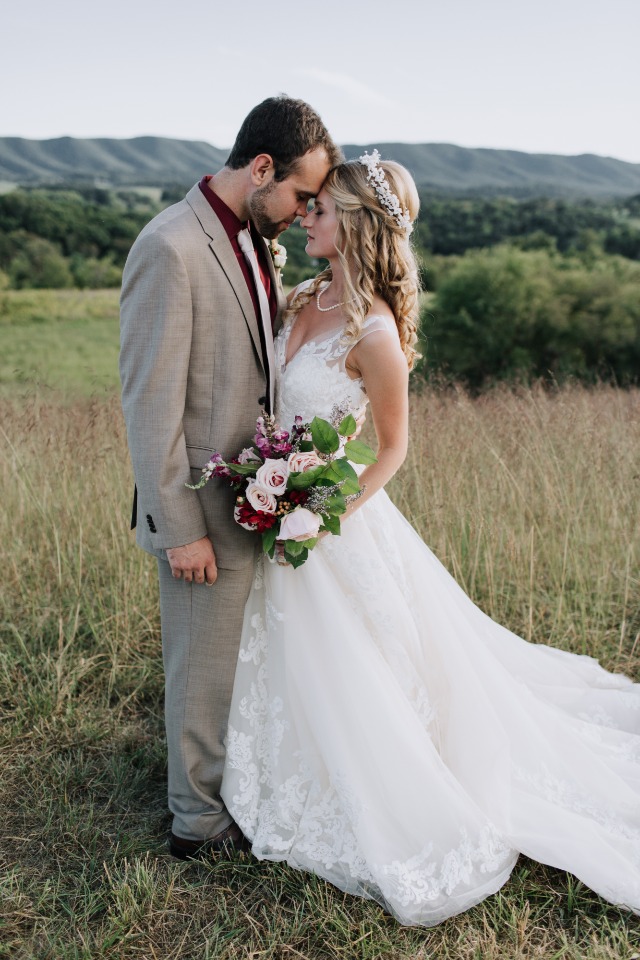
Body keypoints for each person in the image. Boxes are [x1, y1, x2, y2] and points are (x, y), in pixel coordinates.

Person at [219, 152, 640, 926]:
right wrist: (269, 477)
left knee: (363, 672)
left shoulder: (373, 331)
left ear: (352, 222)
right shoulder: (303, 296)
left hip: (336, 521)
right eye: (307, 206)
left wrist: (323, 510)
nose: (306, 215)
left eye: (320, 208)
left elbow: (391, 450)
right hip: (283, 507)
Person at [119, 96, 341, 860]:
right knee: (201, 670)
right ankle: (196, 823)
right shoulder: (170, 247)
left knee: (232, 668)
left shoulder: (254, 238)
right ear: (259, 168)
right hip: (199, 511)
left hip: (252, 500)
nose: (303, 212)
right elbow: (149, 405)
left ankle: (230, 790)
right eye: (302, 196)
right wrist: (177, 529)